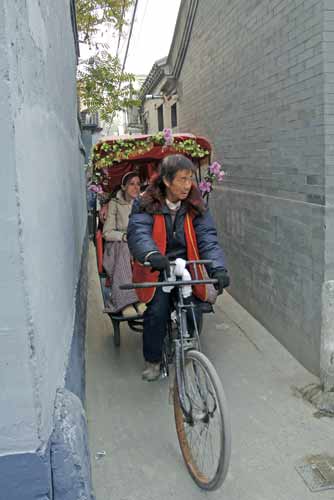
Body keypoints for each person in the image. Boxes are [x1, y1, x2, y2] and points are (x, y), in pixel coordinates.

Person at [127, 154, 230, 381]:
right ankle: (153, 361)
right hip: (158, 267)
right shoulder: (145, 203)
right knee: (156, 312)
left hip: (187, 266)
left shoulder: (195, 203)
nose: (187, 185)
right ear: (166, 180)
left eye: (190, 179)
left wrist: (218, 269)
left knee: (195, 308)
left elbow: (207, 238)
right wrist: (151, 254)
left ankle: (190, 348)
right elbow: (139, 233)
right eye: (182, 179)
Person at [103, 171, 146, 317]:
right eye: (132, 184)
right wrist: (124, 236)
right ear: (123, 187)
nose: (136, 187)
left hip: (138, 242)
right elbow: (107, 233)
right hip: (117, 244)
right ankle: (125, 301)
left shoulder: (143, 202)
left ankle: (142, 298)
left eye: (138, 184)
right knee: (124, 249)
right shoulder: (115, 204)